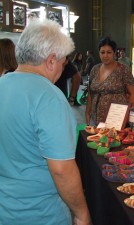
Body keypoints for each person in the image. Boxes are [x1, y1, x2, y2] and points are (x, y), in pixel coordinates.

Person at [0, 19, 91, 225]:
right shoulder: (49, 97)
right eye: (62, 62)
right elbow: (62, 170)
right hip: (40, 213)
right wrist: (81, 214)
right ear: (51, 61)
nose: (61, 68)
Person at [85, 36, 134, 125]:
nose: (105, 55)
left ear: (114, 53)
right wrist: (87, 112)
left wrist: (127, 116)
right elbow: (90, 93)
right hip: (95, 119)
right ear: (99, 53)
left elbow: (133, 93)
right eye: (102, 52)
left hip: (116, 120)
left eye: (109, 52)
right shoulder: (95, 69)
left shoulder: (123, 70)